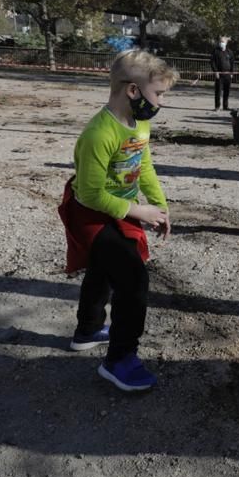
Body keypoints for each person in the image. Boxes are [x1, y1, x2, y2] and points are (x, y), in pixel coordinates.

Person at [57, 49, 176, 392]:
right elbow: (90, 195)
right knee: (133, 278)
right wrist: (140, 212)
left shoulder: (139, 124)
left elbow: (145, 165)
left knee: (103, 270)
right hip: (90, 214)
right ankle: (119, 359)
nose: (161, 102)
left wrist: (159, 205)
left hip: (118, 208)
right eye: (159, 94)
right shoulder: (98, 133)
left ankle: (89, 329)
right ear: (133, 91)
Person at [210, 35, 235, 111]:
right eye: (220, 41)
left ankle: (225, 106)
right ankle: (217, 106)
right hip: (219, 75)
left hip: (227, 75)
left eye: (223, 42)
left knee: (226, 91)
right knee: (218, 91)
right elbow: (212, 62)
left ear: (226, 43)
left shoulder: (229, 52)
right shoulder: (216, 51)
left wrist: (231, 73)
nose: (221, 43)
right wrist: (215, 71)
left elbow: (232, 63)